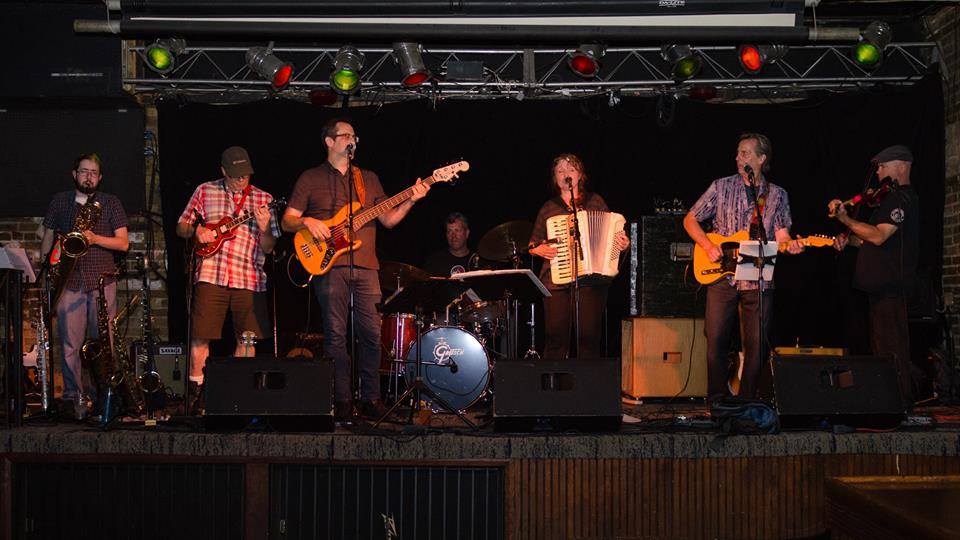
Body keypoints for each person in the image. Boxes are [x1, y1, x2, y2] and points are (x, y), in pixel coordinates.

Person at [282, 118, 430, 421]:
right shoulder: (310, 178)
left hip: (366, 267)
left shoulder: (368, 179)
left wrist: (411, 200)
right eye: (346, 135)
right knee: (335, 336)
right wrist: (309, 222)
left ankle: (370, 399)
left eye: (354, 136)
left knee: (373, 335)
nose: (353, 140)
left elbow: (388, 221)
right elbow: (287, 221)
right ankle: (342, 400)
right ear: (329, 141)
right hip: (328, 265)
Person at [683, 133, 803, 401]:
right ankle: (716, 399)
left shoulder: (777, 195)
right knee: (715, 339)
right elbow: (690, 220)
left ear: (761, 159)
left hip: (758, 277)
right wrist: (706, 245)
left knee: (757, 344)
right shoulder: (721, 186)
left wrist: (791, 244)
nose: (738, 158)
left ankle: (747, 400)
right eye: (738, 153)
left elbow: (782, 236)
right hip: (722, 275)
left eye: (745, 153)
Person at [175, 146, 281, 413]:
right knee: (200, 336)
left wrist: (266, 227)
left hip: (249, 277)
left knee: (247, 339)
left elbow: (268, 247)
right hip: (211, 273)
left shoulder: (264, 198)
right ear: (223, 171)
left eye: (245, 175)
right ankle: (196, 396)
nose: (241, 180)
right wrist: (197, 231)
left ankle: (239, 396)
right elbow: (181, 226)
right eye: (235, 176)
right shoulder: (204, 191)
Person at [40, 153, 129, 418]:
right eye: (83, 171)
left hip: (102, 281)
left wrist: (94, 238)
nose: (88, 176)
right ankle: (73, 399)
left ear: (99, 178)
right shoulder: (59, 201)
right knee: (70, 344)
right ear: (74, 174)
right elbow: (46, 238)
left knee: (103, 344)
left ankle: (104, 398)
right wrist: (46, 268)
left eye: (93, 172)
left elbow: (123, 243)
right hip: (69, 281)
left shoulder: (111, 203)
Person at [829, 144, 918, 407]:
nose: (878, 171)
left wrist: (845, 220)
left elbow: (879, 236)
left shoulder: (902, 198)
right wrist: (850, 240)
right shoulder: (888, 198)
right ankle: (888, 400)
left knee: (893, 350)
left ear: (901, 166)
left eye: (883, 165)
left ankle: (901, 403)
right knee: (882, 350)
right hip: (878, 288)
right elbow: (871, 238)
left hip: (892, 286)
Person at [528, 153, 629, 360]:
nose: (566, 174)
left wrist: (622, 243)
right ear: (555, 178)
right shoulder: (549, 207)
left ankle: (587, 389)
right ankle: (553, 387)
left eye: (571, 169)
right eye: (560, 171)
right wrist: (538, 249)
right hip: (555, 282)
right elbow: (532, 244)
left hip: (592, 280)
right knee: (556, 338)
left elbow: (613, 235)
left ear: (580, 175)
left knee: (588, 338)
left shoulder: (596, 201)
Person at [423, 211, 476, 277]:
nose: (453, 236)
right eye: (449, 231)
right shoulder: (434, 262)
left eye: (457, 230)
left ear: (467, 233)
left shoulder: (477, 261)